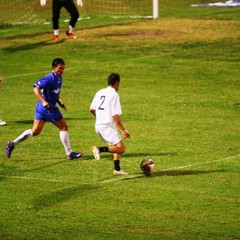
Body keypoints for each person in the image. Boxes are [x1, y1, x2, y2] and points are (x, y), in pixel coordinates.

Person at [6, 58, 83, 160]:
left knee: (35, 131)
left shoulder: (59, 78)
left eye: (63, 68)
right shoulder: (49, 78)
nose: (62, 70)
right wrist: (44, 101)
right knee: (64, 127)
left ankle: (12, 144)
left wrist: (60, 103)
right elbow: (35, 88)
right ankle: (69, 153)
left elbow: (56, 93)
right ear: (54, 68)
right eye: (60, 68)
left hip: (42, 108)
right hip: (48, 108)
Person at [89, 73, 130, 176]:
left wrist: (100, 118)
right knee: (121, 149)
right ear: (116, 83)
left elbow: (91, 109)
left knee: (116, 146)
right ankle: (99, 149)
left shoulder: (100, 92)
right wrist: (123, 130)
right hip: (106, 126)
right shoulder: (114, 94)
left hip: (99, 125)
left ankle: (117, 169)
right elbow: (115, 115)